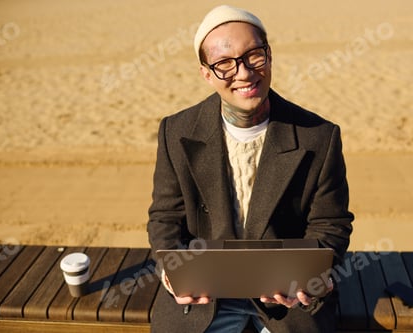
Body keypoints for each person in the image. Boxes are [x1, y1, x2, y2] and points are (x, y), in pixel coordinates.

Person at [147, 5, 354, 333]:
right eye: (224, 64)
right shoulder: (176, 132)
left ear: (269, 56)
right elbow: (164, 219)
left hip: (285, 303)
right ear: (206, 73)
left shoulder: (319, 136)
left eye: (254, 55)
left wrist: (306, 275)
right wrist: (170, 269)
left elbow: (331, 224)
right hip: (206, 300)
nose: (243, 73)